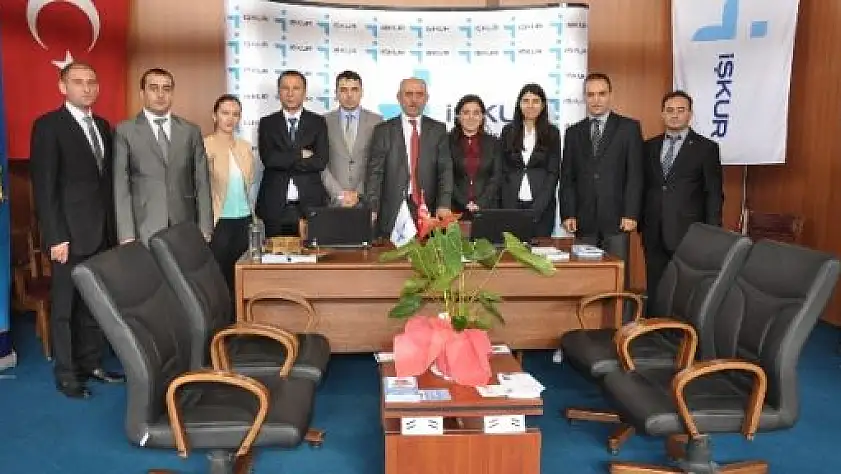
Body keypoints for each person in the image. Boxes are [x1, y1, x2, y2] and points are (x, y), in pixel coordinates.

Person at [30, 62, 125, 399]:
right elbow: (45, 187)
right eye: (78, 82)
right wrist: (56, 236)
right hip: (68, 236)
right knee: (66, 308)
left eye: (91, 82)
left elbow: (105, 183)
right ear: (62, 86)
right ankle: (67, 374)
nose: (86, 88)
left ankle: (91, 363)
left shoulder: (102, 126)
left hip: (102, 233)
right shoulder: (48, 126)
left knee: (94, 304)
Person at [641, 90, 723, 313]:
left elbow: (714, 193)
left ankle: (681, 330)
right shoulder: (648, 147)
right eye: (669, 110)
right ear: (662, 114)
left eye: (680, 110)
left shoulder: (706, 148)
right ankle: (653, 327)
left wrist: (712, 233)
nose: (675, 115)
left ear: (690, 114)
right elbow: (644, 186)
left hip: (689, 231)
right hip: (653, 229)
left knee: (686, 287)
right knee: (655, 284)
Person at [560, 72, 644, 285]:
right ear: (584, 98)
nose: (596, 99)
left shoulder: (629, 128)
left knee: (617, 278)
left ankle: (621, 310)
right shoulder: (573, 132)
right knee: (585, 279)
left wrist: (631, 213)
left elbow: (635, 174)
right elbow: (567, 177)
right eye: (590, 95)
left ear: (610, 95)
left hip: (617, 220)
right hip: (583, 220)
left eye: (601, 94)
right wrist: (568, 213)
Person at [113, 67, 212, 244]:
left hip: (184, 224)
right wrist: (126, 234)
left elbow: (202, 182)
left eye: (166, 89)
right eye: (154, 88)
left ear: (172, 94)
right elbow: (121, 185)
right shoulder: (125, 131)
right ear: (142, 94)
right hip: (144, 226)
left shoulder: (190, 131)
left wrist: (205, 227)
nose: (160, 94)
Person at [365, 77, 453, 238]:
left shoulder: (438, 130)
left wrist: (444, 204)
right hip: (393, 211)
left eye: (419, 94)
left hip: (428, 211)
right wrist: (372, 208)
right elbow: (374, 173)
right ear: (399, 97)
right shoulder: (383, 130)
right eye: (408, 94)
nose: (414, 100)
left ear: (426, 98)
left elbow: (445, 170)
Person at [256, 70, 329, 236]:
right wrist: (300, 155)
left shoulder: (318, 122)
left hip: (310, 204)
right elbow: (269, 159)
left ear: (304, 92)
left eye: (296, 88)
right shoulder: (267, 123)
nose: (290, 93)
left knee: (311, 251)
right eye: (285, 88)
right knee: (274, 251)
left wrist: (284, 159)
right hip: (275, 206)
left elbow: (320, 161)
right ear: (279, 92)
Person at [204, 94, 255, 294]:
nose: (230, 118)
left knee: (241, 277)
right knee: (219, 277)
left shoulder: (245, 147)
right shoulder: (204, 145)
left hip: (244, 220)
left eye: (235, 114)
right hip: (219, 221)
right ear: (214, 115)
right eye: (225, 113)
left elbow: (251, 184)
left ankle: (239, 313)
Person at [499, 84, 561, 237]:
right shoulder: (508, 131)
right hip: (511, 206)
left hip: (542, 209)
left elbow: (553, 173)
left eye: (535, 101)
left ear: (543, 105)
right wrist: (508, 206)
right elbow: (502, 169)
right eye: (526, 101)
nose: (530, 105)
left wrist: (537, 208)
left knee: (540, 249)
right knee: (511, 249)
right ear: (519, 104)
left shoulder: (552, 133)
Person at [322, 70, 383, 208]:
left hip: (365, 201)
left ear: (362, 92)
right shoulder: (323, 121)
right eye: (343, 90)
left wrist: (358, 193)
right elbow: (320, 164)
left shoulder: (377, 122)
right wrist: (338, 194)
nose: (349, 95)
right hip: (332, 201)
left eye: (354, 89)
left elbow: (378, 163)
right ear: (336, 93)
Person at [449, 94, 502, 218]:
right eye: (466, 112)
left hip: (487, 209)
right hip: (455, 209)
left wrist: (480, 203)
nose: (471, 117)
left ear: (482, 117)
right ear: (458, 117)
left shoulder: (494, 143)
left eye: (476, 113)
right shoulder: (447, 142)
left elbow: (496, 177)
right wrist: (465, 203)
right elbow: (446, 177)